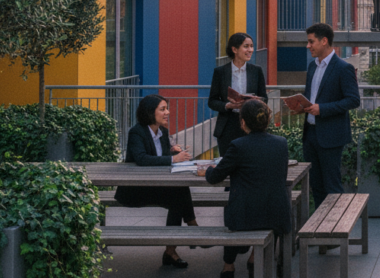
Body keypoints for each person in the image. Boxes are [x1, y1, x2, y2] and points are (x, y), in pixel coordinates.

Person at [204, 99, 291, 278]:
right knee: (267, 204)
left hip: (245, 216)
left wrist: (206, 169)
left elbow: (214, 178)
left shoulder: (238, 145)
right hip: (277, 215)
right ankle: (253, 259)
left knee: (232, 204)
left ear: (242, 122)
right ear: (267, 120)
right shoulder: (281, 143)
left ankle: (229, 265)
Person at [114, 94, 198, 269]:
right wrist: (174, 159)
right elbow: (143, 159)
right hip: (135, 189)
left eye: (166, 108)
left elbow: (160, 156)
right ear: (150, 112)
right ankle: (192, 228)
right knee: (179, 194)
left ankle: (171, 250)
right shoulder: (137, 132)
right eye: (163, 109)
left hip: (156, 185)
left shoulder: (163, 132)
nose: (167, 112)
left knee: (179, 193)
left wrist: (172, 152)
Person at [303, 22, 361, 212]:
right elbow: (311, 98)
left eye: (311, 42)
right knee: (316, 187)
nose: (308, 46)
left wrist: (323, 109)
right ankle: (320, 233)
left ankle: (334, 235)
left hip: (331, 137)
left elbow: (353, 100)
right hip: (310, 135)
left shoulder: (343, 68)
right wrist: (301, 106)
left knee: (332, 188)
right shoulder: (312, 67)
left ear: (324, 41)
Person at [209, 33, 268, 157]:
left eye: (251, 46)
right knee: (228, 162)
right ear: (234, 49)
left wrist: (254, 102)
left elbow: (264, 98)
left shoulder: (256, 71)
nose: (250, 50)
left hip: (251, 124)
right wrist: (228, 106)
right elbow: (212, 101)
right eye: (246, 46)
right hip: (227, 125)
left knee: (250, 162)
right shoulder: (220, 72)